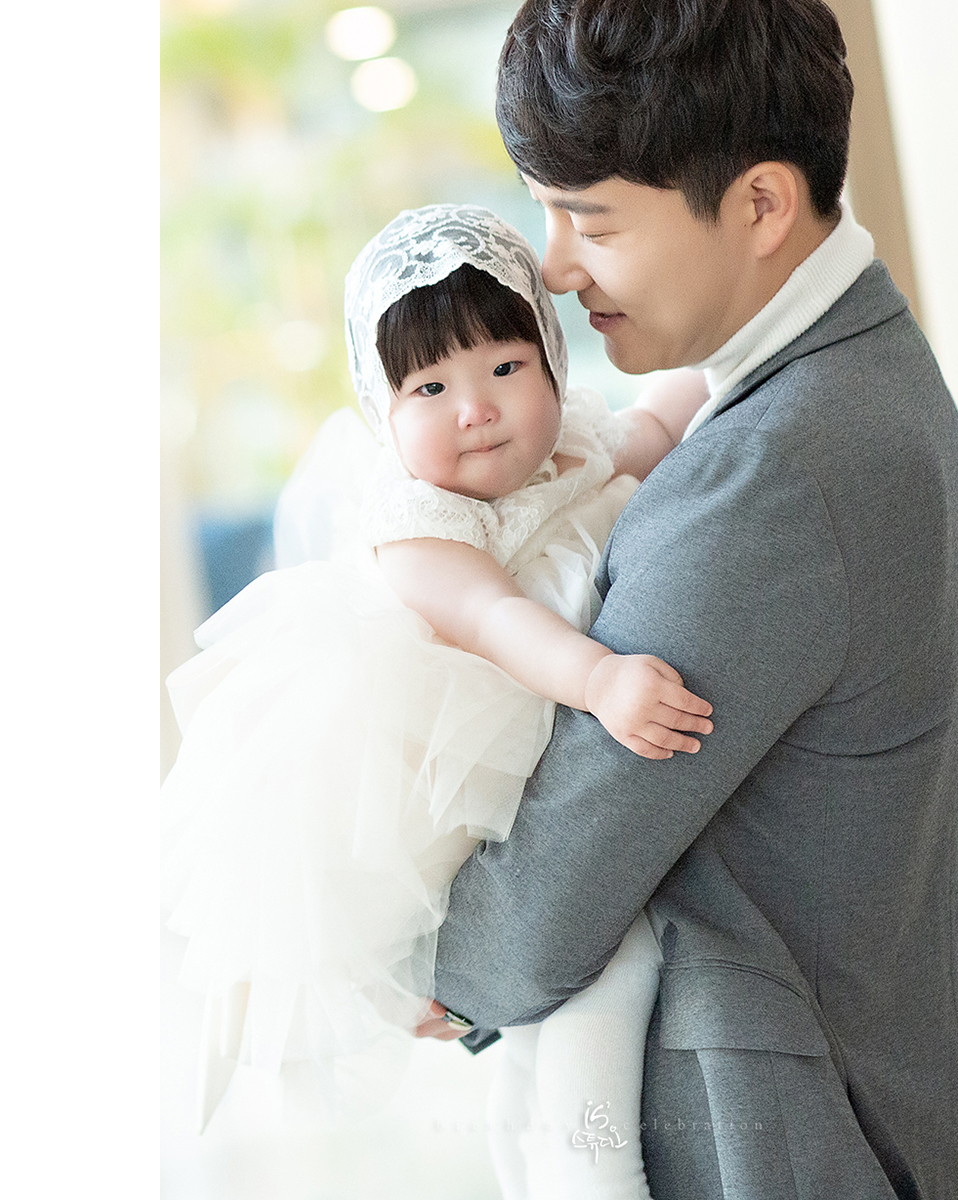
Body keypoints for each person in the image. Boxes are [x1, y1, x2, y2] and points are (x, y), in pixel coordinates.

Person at [421, 2, 958, 1197]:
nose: (555, 267)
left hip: (776, 1143)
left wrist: (430, 966)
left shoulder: (776, 471)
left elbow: (575, 851)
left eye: (592, 219)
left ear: (761, 204)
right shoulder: (863, 371)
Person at [162, 203, 712, 1198]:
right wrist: (599, 679)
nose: (476, 407)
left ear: (552, 362)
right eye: (430, 386)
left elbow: (658, 423)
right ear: (382, 407)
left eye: (505, 365)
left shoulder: (571, 446)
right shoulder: (415, 527)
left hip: (522, 790)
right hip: (426, 799)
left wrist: (729, 352)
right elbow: (496, 619)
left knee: (577, 988)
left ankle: (544, 1154)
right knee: (605, 964)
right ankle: (590, 1168)